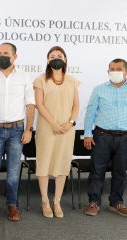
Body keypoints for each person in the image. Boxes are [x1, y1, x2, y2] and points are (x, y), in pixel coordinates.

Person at [0, 43, 35, 222]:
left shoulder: (25, 77)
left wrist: (28, 129)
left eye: (5, 53)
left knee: (13, 172)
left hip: (17, 131)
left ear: (15, 56)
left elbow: (30, 105)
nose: (1, 56)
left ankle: (12, 206)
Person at [33, 46, 79, 218]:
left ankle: (57, 201)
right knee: (44, 163)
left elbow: (76, 104)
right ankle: (45, 200)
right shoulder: (40, 80)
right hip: (47, 128)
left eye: (59, 56)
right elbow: (39, 104)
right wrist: (53, 123)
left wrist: (71, 122)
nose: (56, 58)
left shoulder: (73, 81)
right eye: (52, 56)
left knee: (62, 163)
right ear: (47, 60)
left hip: (67, 130)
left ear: (65, 59)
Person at [84, 58, 127, 217]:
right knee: (97, 170)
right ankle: (94, 202)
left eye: (118, 68)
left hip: (124, 137)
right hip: (102, 136)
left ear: (125, 71)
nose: (115, 72)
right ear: (108, 71)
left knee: (120, 171)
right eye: (112, 69)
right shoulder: (99, 89)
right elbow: (90, 113)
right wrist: (87, 134)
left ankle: (116, 202)